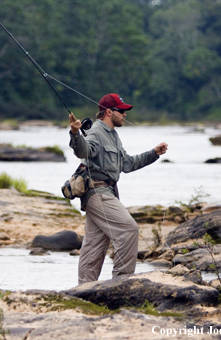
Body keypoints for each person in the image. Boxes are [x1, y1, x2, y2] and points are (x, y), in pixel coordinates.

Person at [68, 93, 168, 284]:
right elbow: (83, 150)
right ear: (108, 112)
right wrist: (74, 133)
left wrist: (154, 153)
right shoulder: (96, 132)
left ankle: (84, 290)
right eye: (121, 111)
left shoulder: (113, 135)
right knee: (129, 229)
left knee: (95, 244)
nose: (125, 115)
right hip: (97, 192)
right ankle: (122, 282)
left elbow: (128, 164)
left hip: (107, 192)